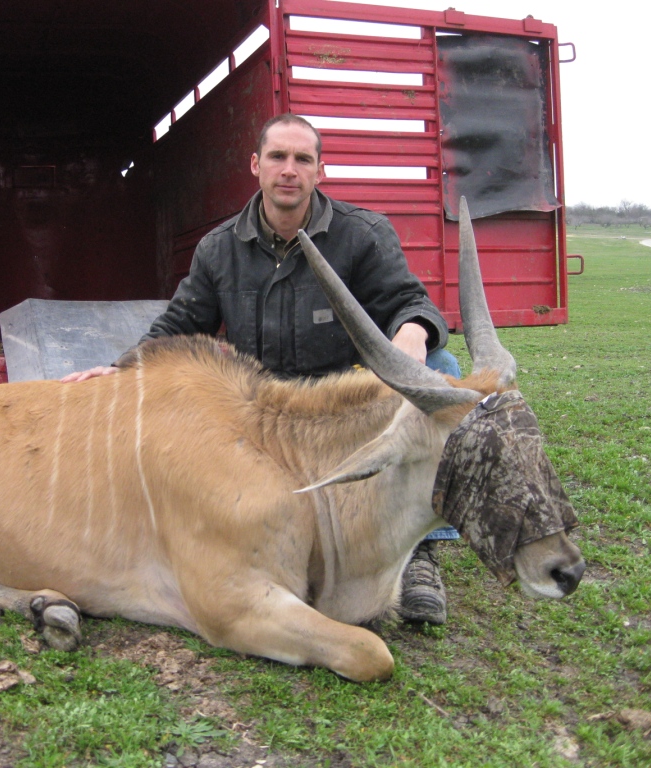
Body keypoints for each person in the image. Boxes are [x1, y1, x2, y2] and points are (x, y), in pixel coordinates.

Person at [62, 113, 458, 625]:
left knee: (441, 369)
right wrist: (122, 370)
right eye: (277, 157)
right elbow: (180, 325)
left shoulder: (362, 235)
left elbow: (410, 301)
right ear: (256, 165)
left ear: (320, 170)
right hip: (266, 415)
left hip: (340, 408)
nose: (288, 170)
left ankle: (423, 553)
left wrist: (413, 331)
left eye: (302, 159)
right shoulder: (218, 248)